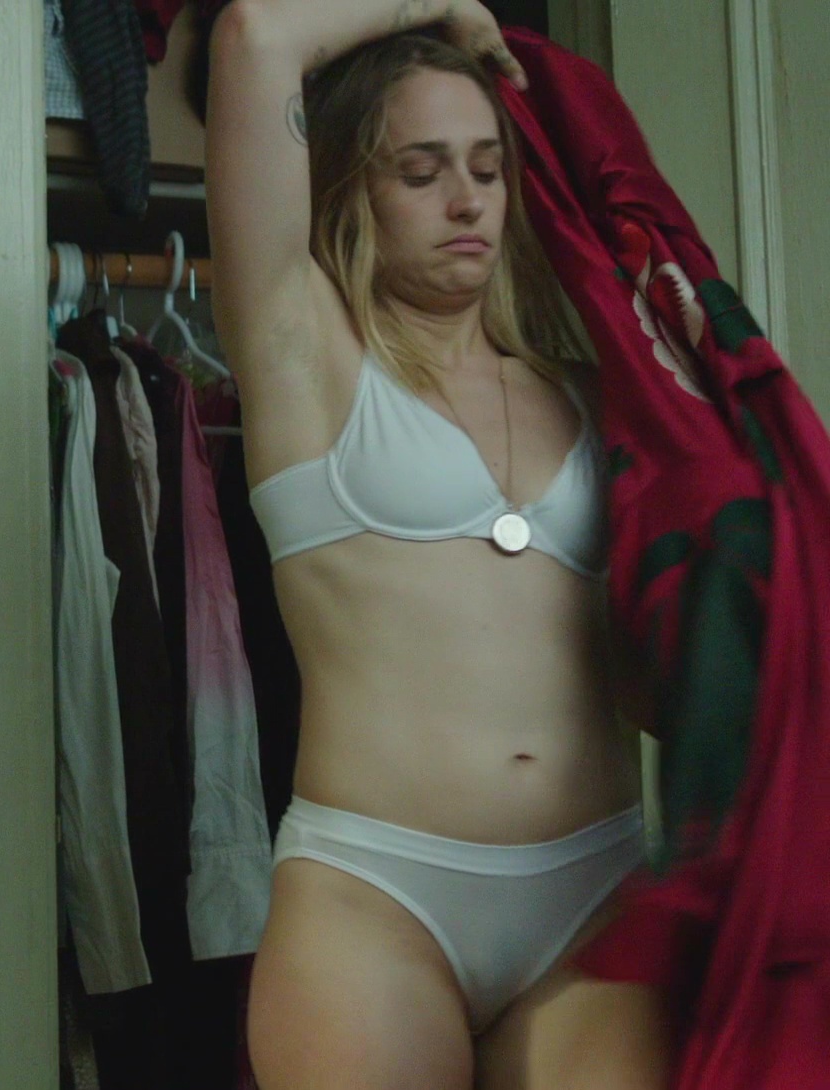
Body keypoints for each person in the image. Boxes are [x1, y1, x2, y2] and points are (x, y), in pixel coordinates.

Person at [203, 3, 672, 1087]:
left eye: (487, 168)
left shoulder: (592, 391)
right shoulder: (302, 354)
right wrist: (449, 7)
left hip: (598, 888)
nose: (466, 200)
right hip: (376, 898)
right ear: (354, 188)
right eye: (420, 171)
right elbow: (252, 38)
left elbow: (649, 676)